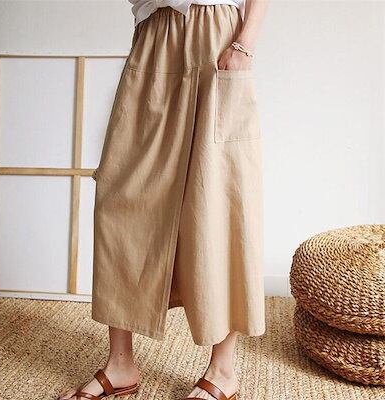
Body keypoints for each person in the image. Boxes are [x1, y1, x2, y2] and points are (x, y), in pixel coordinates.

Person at [59, 0, 269, 399]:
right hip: (153, 32)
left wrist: (244, 44)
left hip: (215, 32)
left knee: (218, 197)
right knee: (120, 195)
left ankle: (223, 370)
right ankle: (120, 364)